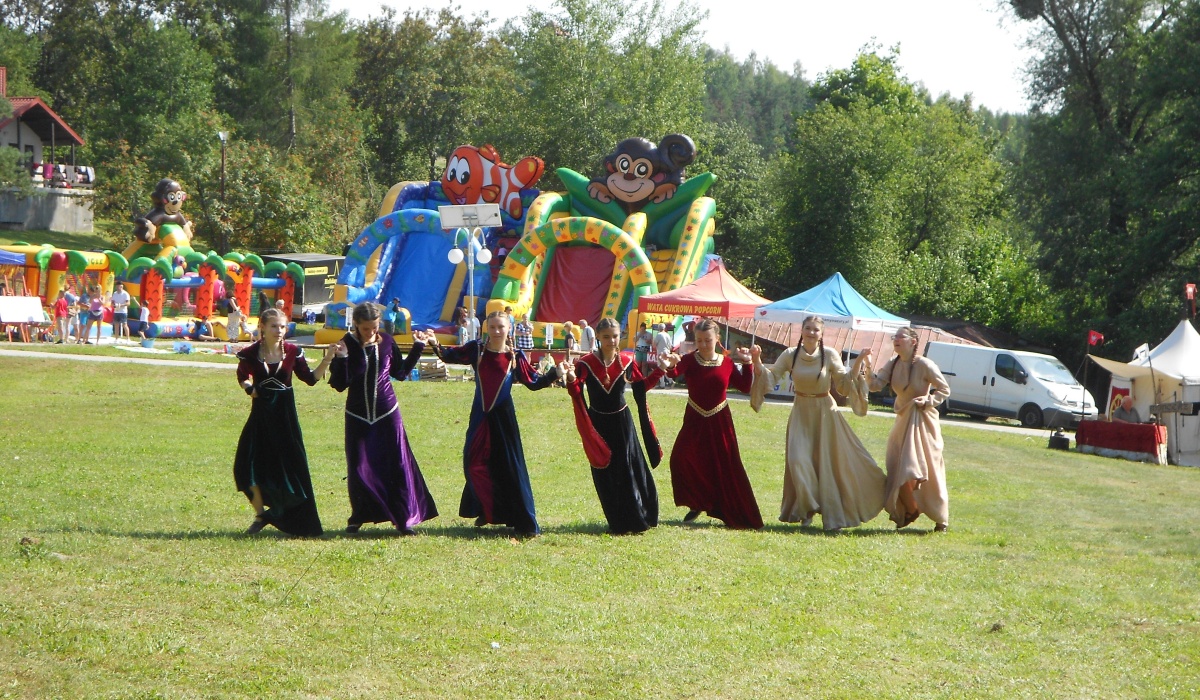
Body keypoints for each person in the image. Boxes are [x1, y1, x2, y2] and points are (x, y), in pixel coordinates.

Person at [426, 311, 561, 535]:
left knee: (509, 468)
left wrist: (556, 372)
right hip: (480, 415)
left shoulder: (515, 356)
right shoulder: (476, 349)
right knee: (473, 464)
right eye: (493, 327)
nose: (497, 331)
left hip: (504, 419)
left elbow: (534, 383)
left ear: (509, 329)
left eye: (501, 327)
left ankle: (521, 521)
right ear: (486, 328)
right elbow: (449, 355)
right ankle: (488, 510)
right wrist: (434, 343)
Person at [749, 316, 885, 531]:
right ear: (801, 331)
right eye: (808, 328)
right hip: (801, 412)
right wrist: (756, 360)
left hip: (825, 413)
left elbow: (842, 383)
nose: (811, 333)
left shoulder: (829, 354)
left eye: (816, 330)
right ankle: (807, 508)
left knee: (830, 466)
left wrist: (858, 361)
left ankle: (832, 512)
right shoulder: (790, 355)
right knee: (798, 461)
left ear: (821, 334)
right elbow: (770, 377)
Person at [329, 302, 439, 534]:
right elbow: (340, 385)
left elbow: (399, 372)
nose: (371, 333)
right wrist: (340, 359)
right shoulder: (345, 344)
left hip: (387, 412)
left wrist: (418, 347)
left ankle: (401, 518)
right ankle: (359, 515)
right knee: (359, 466)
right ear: (356, 325)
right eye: (366, 328)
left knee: (395, 464)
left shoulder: (387, 341)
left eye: (375, 327)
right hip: (357, 413)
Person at [234, 307, 337, 536]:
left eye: (282, 326)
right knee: (246, 465)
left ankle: (290, 516)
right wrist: (249, 388)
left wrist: (327, 359)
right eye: (274, 326)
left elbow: (310, 379)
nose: (279, 331)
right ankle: (261, 514)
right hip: (261, 415)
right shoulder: (251, 353)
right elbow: (242, 375)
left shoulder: (292, 351)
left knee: (291, 468)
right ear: (262, 326)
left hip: (285, 417)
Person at [563, 318, 666, 534]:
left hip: (622, 424)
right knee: (606, 472)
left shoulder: (627, 361)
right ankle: (617, 521)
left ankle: (638, 518)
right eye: (607, 336)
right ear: (598, 337)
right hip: (598, 424)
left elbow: (640, 389)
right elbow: (576, 392)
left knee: (628, 470)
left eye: (615, 336)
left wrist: (660, 370)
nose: (612, 340)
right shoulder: (586, 363)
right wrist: (571, 379)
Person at [660, 318, 762, 529]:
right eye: (699, 340)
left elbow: (744, 386)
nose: (704, 344)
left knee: (724, 465)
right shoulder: (689, 360)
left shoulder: (726, 363)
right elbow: (674, 373)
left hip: (719, 420)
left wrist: (748, 364)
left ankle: (726, 508)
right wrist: (669, 365)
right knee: (680, 458)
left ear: (717, 339)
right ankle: (697, 501)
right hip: (695, 418)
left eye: (708, 340)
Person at [866, 326, 951, 532]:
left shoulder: (924, 364)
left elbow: (944, 389)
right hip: (903, 420)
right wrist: (867, 368)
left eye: (900, 337)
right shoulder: (893, 364)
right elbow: (875, 385)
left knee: (925, 468)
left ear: (913, 342)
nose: (896, 340)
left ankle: (941, 519)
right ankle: (908, 510)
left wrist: (929, 400)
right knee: (897, 467)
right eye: (894, 337)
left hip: (924, 422)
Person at [652, 323, 674, 388]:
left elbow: (654, 344)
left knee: (660, 368)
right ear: (664, 328)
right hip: (667, 353)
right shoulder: (668, 335)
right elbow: (670, 346)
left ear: (659, 328)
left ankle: (662, 384)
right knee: (665, 368)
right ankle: (670, 381)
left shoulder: (658, 335)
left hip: (660, 353)